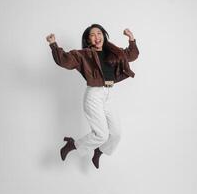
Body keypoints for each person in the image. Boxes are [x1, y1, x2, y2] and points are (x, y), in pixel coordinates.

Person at [46, 24, 139, 169]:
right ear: (88, 40)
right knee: (101, 135)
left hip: (109, 93)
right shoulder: (84, 54)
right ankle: (72, 145)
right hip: (94, 95)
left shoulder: (113, 52)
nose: (97, 37)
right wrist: (53, 44)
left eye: (99, 33)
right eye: (93, 35)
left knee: (116, 134)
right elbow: (64, 60)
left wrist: (131, 39)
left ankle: (99, 150)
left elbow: (131, 55)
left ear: (104, 35)